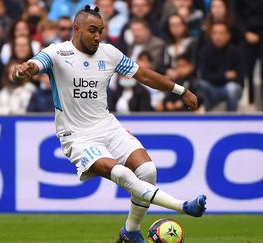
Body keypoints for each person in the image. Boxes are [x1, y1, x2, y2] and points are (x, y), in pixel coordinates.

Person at [13, 5, 206, 243]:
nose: (97, 36)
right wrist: (24, 70)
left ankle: (130, 231)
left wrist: (181, 90)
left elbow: (144, 75)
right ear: (76, 28)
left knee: (148, 171)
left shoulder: (110, 53)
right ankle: (183, 206)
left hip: (108, 126)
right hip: (77, 136)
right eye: (92, 30)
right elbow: (33, 65)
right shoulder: (56, 53)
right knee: (122, 173)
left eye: (101, 31)